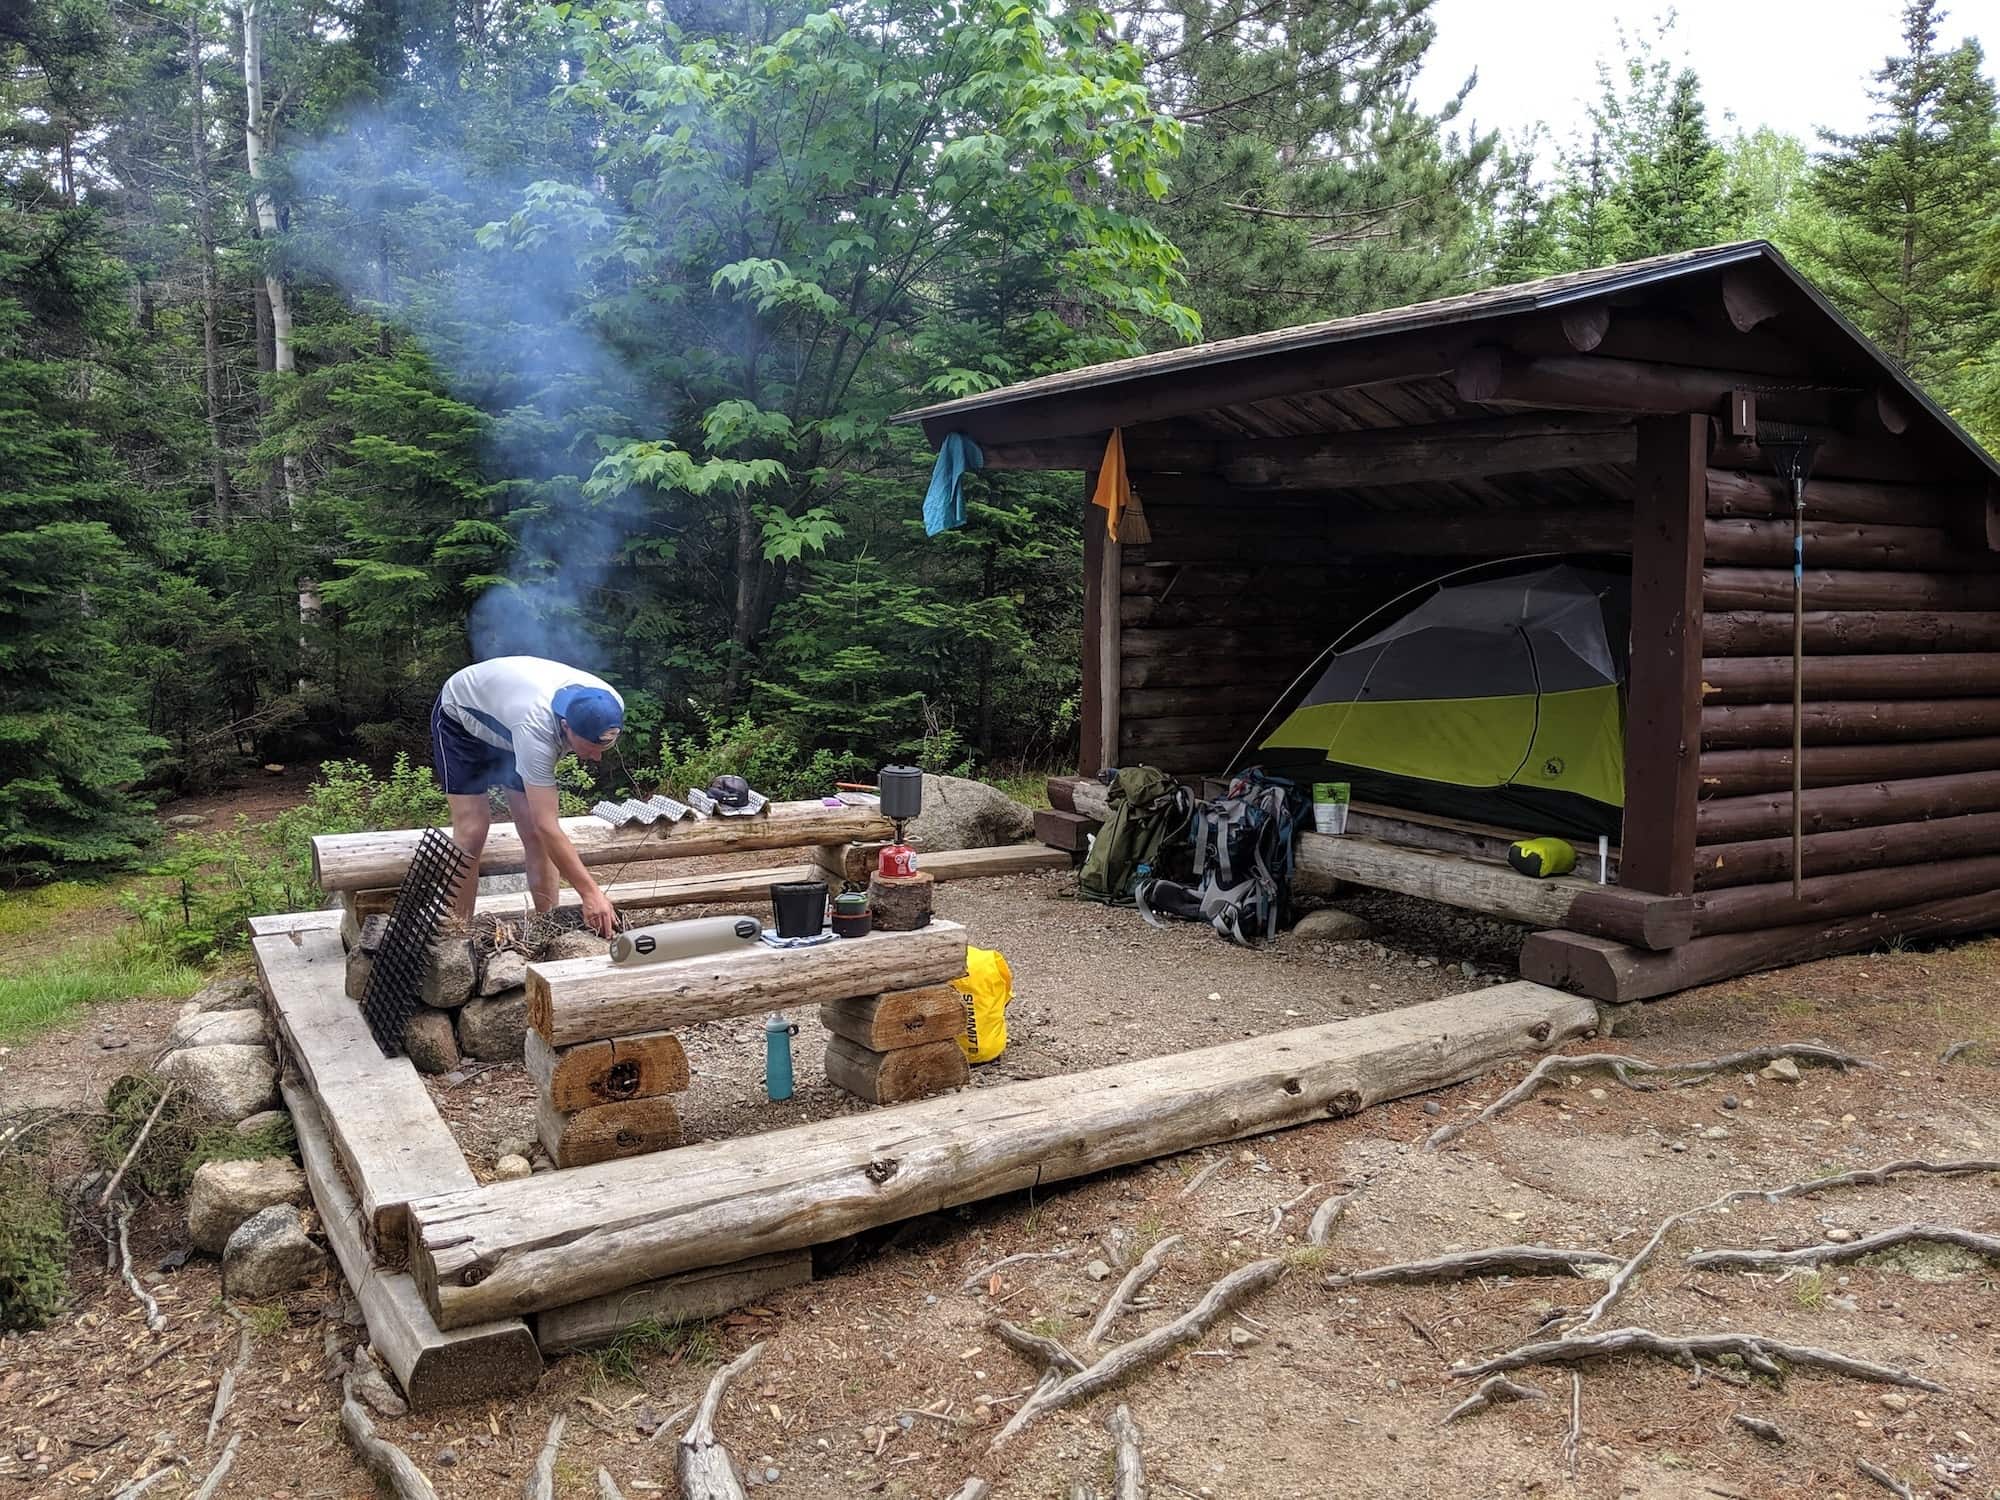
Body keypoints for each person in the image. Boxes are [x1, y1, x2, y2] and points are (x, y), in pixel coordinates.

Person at [430, 655, 624, 936]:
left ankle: (548, 928)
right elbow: (549, 824)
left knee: (533, 831)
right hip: (462, 717)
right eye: (588, 748)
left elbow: (540, 827)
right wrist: (591, 893)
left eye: (601, 748)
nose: (595, 757)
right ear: (566, 726)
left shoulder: (610, 706)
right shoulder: (537, 730)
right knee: (473, 829)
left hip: (511, 719)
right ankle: (456, 935)